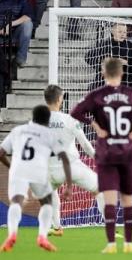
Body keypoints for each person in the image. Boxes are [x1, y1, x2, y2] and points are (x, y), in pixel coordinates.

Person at [70, 58, 132, 254]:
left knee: (110, 198)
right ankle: (129, 244)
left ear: (103, 73)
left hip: (106, 151)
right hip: (127, 149)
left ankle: (111, 244)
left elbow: (75, 112)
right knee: (128, 198)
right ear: (122, 73)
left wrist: (95, 125)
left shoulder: (97, 95)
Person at [0, 105, 73, 252]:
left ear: (32, 117)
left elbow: (1, 153)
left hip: (18, 169)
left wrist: (11, 166)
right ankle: (42, 237)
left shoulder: (17, 131)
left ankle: (12, 234)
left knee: (16, 202)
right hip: (38, 170)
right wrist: (69, 185)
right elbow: (65, 158)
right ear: (47, 120)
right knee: (47, 203)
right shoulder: (49, 134)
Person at [44, 85, 107, 237]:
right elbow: (85, 144)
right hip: (71, 167)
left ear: (46, 100)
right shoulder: (69, 119)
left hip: (49, 169)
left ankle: (57, 227)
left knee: (51, 193)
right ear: (60, 99)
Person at [85, 23, 132, 90]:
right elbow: (88, 57)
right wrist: (103, 66)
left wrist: (126, 63)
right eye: (120, 32)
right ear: (113, 32)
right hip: (105, 79)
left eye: (124, 32)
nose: (122, 34)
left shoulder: (130, 46)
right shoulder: (105, 44)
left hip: (124, 78)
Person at [0, 0, 33, 67]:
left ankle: (20, 59)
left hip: (13, 33)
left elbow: (28, 16)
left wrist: (9, 25)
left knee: (28, 24)